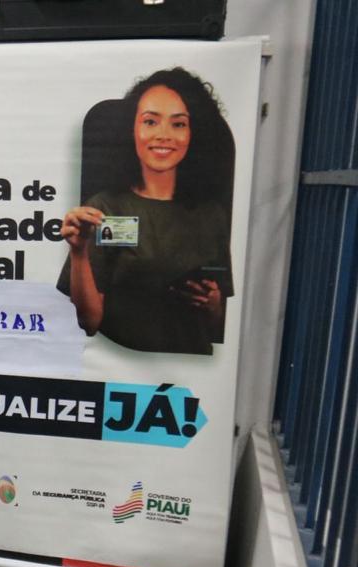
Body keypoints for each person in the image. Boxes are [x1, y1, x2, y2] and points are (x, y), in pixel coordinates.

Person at [58, 67, 235, 356]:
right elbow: (89, 322)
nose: (163, 135)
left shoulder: (211, 215)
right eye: (151, 121)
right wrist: (78, 252)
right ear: (133, 130)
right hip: (126, 367)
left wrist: (214, 305)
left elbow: (219, 330)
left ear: (194, 133)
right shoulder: (105, 208)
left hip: (193, 371)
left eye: (178, 124)